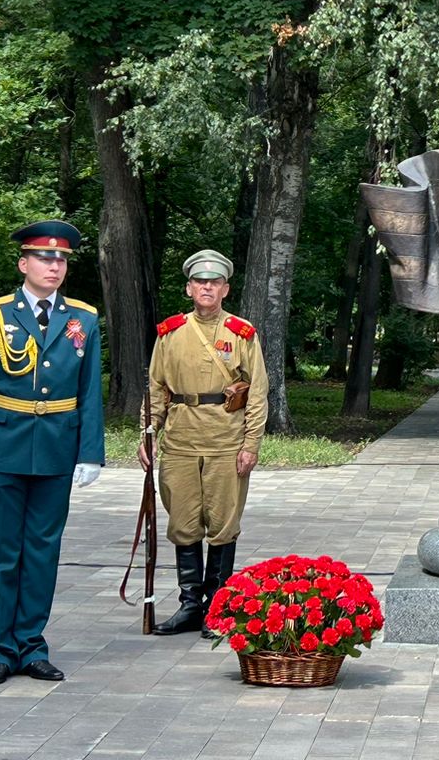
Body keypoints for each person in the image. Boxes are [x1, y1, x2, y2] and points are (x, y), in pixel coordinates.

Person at [138, 249, 268, 637]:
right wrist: (148, 434)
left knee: (223, 523)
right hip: (180, 440)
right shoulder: (170, 333)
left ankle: (218, 606)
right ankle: (190, 604)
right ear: (189, 288)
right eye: (200, 282)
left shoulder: (242, 333)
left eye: (214, 282)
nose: (206, 287)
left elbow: (258, 392)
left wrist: (251, 444)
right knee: (183, 522)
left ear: (225, 289)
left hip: (226, 439)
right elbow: (156, 388)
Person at [0, 221, 103, 684]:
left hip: (58, 447)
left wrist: (90, 453)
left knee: (43, 551)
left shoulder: (84, 318)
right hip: (4, 444)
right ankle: (1, 649)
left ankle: (31, 645)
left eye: (60, 259)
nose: (54, 265)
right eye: (44, 258)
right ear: (24, 263)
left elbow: (89, 391)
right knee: (3, 553)